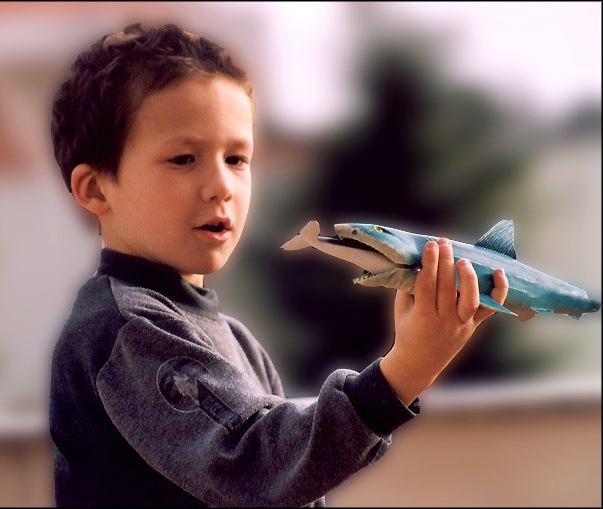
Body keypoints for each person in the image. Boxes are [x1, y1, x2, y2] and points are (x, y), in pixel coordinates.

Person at [49, 22, 509, 507]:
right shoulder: (122, 332)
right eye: (184, 158)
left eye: (237, 158)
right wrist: (405, 370)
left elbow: (291, 486)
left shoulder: (234, 338)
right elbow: (255, 468)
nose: (221, 185)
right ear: (96, 189)